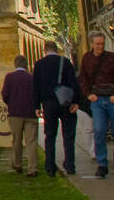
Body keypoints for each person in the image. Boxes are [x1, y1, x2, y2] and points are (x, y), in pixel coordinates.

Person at [78, 31, 114, 178]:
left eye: (102, 43)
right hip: (98, 100)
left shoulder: (113, 58)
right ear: (92, 44)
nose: (100, 46)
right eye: (98, 44)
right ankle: (102, 164)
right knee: (99, 131)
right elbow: (83, 78)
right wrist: (88, 94)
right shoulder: (87, 59)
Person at [32, 41, 79, 177]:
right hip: (65, 102)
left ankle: (50, 166)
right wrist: (75, 102)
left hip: (49, 103)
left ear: (44, 50)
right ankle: (70, 165)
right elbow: (73, 83)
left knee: (50, 135)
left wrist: (37, 105)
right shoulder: (65, 62)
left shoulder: (39, 65)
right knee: (69, 135)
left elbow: (35, 87)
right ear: (57, 50)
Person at [0, 55, 38, 176]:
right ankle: (32, 168)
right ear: (26, 65)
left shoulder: (9, 77)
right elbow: (37, 94)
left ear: (15, 64)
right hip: (30, 113)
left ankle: (17, 164)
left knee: (17, 140)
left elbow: (5, 94)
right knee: (31, 141)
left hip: (15, 113)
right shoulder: (32, 78)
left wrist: (11, 103)